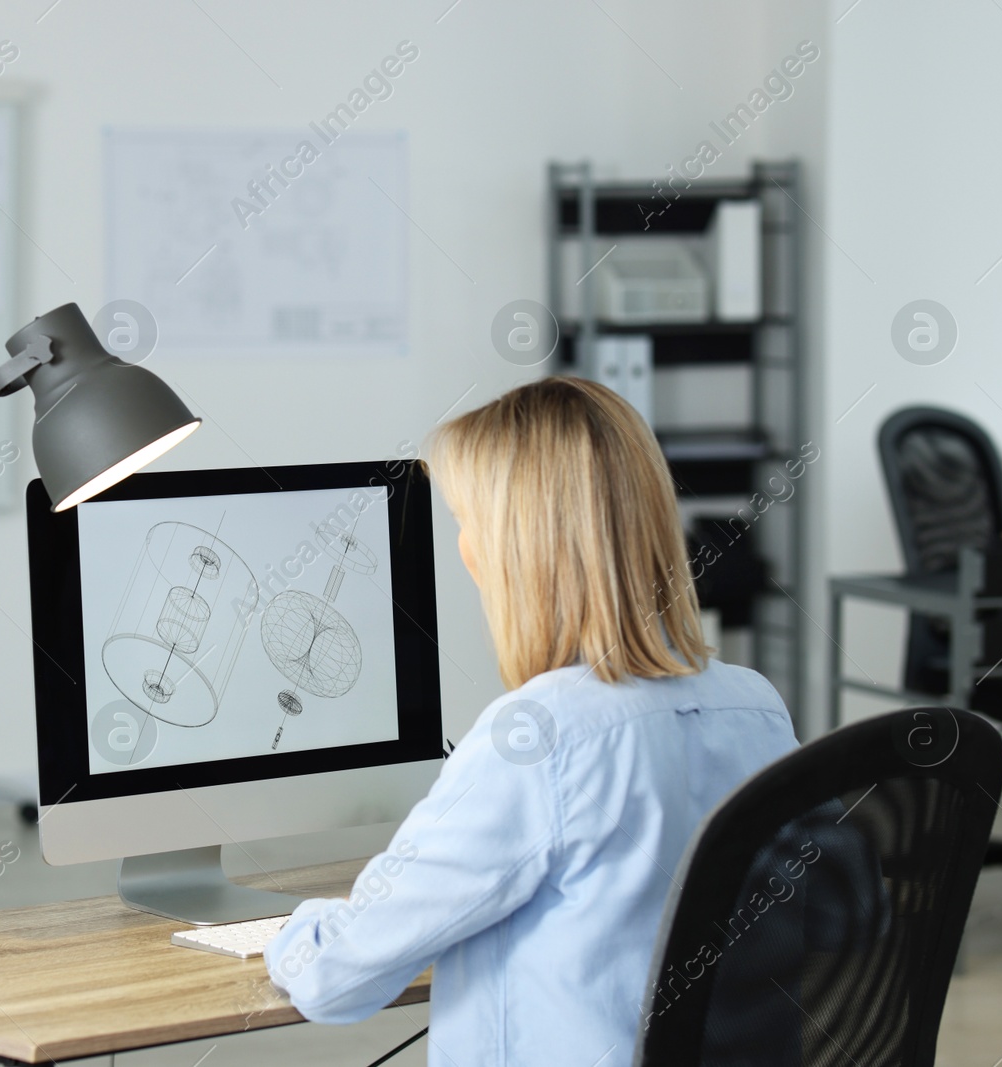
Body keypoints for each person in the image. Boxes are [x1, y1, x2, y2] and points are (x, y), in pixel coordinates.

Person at [263, 377, 799, 1065]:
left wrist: (295, 925)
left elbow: (334, 979)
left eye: (467, 521)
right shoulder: (755, 706)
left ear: (519, 550)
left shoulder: (539, 738)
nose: (463, 548)